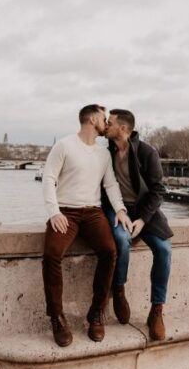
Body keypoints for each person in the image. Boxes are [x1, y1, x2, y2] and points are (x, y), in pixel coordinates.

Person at [41, 104, 134, 347]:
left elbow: (111, 186)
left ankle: (96, 313)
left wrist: (121, 210)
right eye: (104, 118)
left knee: (109, 251)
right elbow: (48, 178)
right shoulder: (63, 145)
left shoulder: (103, 154)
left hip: (93, 212)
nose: (106, 122)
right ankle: (56, 317)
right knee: (52, 254)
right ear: (93, 119)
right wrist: (54, 212)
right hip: (66, 212)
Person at [102, 109, 173, 341]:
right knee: (122, 241)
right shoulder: (106, 152)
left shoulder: (146, 152)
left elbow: (158, 190)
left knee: (163, 250)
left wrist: (142, 219)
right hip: (117, 209)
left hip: (145, 212)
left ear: (122, 128)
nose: (105, 125)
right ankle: (119, 290)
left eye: (109, 122)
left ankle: (156, 310)